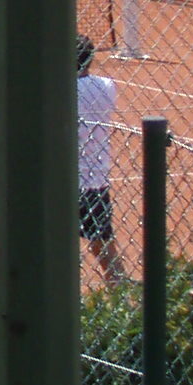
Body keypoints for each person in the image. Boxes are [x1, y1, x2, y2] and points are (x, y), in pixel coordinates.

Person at [76, 33, 131, 286]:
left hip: (63, 183)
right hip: (96, 181)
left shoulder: (56, 90)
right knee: (104, 247)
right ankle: (119, 294)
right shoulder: (106, 86)